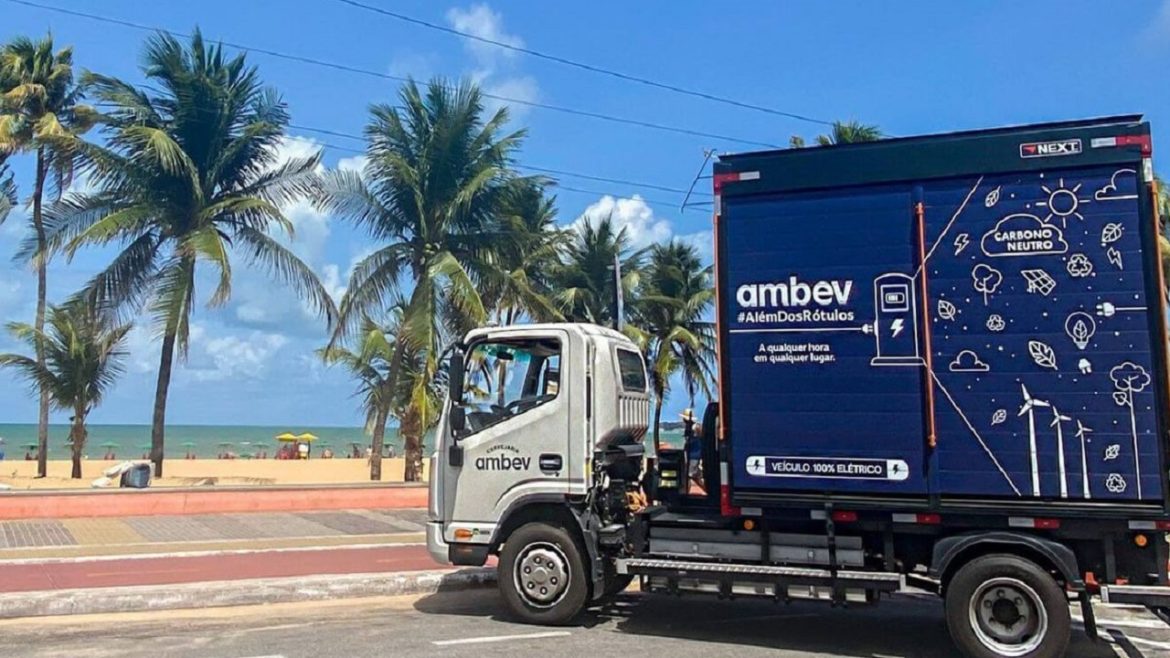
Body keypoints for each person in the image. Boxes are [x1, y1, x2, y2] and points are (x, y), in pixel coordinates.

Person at [681, 408, 704, 491]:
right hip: (691, 454)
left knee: (691, 474)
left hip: (695, 454)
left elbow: (697, 440)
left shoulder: (695, 428)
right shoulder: (689, 428)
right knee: (692, 476)